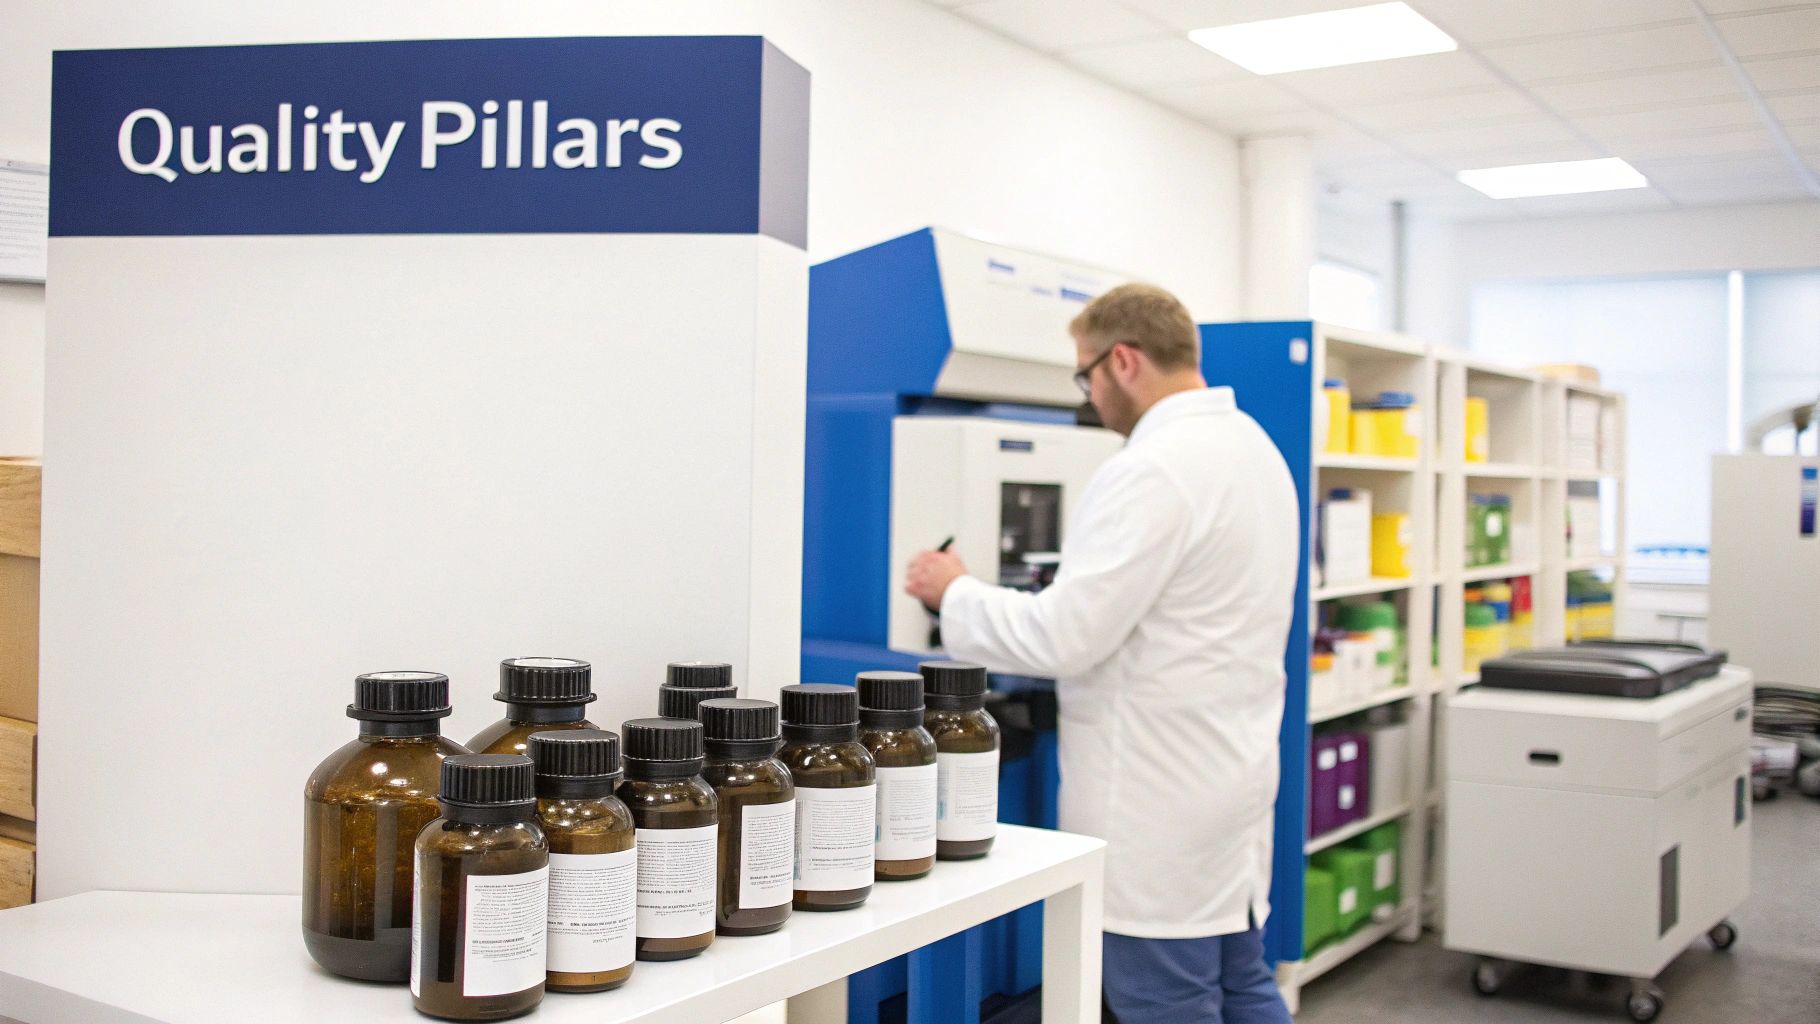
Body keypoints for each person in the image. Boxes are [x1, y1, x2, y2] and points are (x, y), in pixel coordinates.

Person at [904, 283, 1299, 1024]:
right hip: (1228, 778)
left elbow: (1062, 635)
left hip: (1156, 800)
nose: (1086, 397)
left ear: (1122, 361)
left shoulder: (1152, 467)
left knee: (1163, 1001)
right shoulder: (1252, 448)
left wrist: (951, 591)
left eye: (1084, 377)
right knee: (1242, 985)